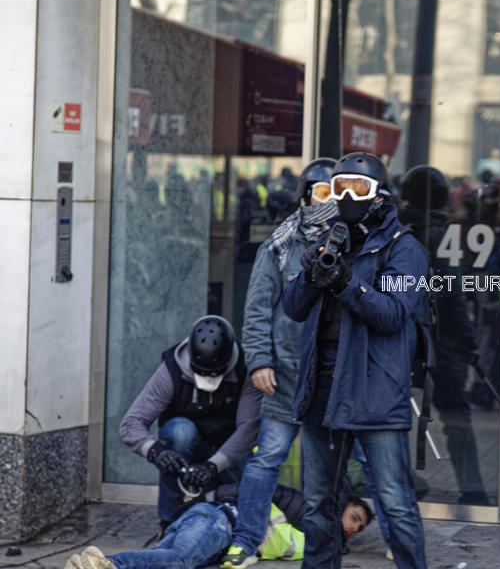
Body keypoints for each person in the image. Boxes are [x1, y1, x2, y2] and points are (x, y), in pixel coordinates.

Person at [283, 151, 429, 569]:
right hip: (321, 388)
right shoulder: (325, 240)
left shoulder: (406, 250)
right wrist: (314, 272)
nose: (347, 196)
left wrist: (348, 282)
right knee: (317, 504)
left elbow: (392, 314)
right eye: (339, 186)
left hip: (375, 392)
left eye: (359, 188)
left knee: (396, 503)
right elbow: (292, 307)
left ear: (380, 195)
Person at [219, 158, 340, 569]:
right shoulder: (280, 245)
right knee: (267, 457)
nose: (330, 203)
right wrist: (259, 362)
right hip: (286, 375)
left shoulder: (356, 243)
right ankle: (248, 540)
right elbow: (256, 309)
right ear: (306, 195)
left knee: (351, 462)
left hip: (334, 376)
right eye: (322, 194)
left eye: (337, 195)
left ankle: (344, 541)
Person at [398, 165, 490, 505]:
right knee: (456, 418)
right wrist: (469, 343)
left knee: (393, 417)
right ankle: (474, 489)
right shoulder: (438, 234)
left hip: (404, 338)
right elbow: (451, 294)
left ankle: (403, 480)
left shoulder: (397, 230)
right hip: (442, 339)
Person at [119, 315, 261, 530]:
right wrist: (156, 452)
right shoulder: (171, 370)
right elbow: (131, 424)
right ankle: (169, 522)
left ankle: (241, 528)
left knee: (253, 494)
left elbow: (248, 429)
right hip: (186, 445)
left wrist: (212, 466)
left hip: (229, 449)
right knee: (180, 431)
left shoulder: (246, 369)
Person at [64, 483, 374, 569]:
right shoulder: (300, 505)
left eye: (359, 529)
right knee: (181, 561)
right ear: (342, 505)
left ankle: (90, 565)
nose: (353, 528)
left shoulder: (316, 537)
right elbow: (247, 492)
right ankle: (107, 564)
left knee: (163, 562)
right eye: (355, 518)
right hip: (219, 520)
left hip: (204, 521)